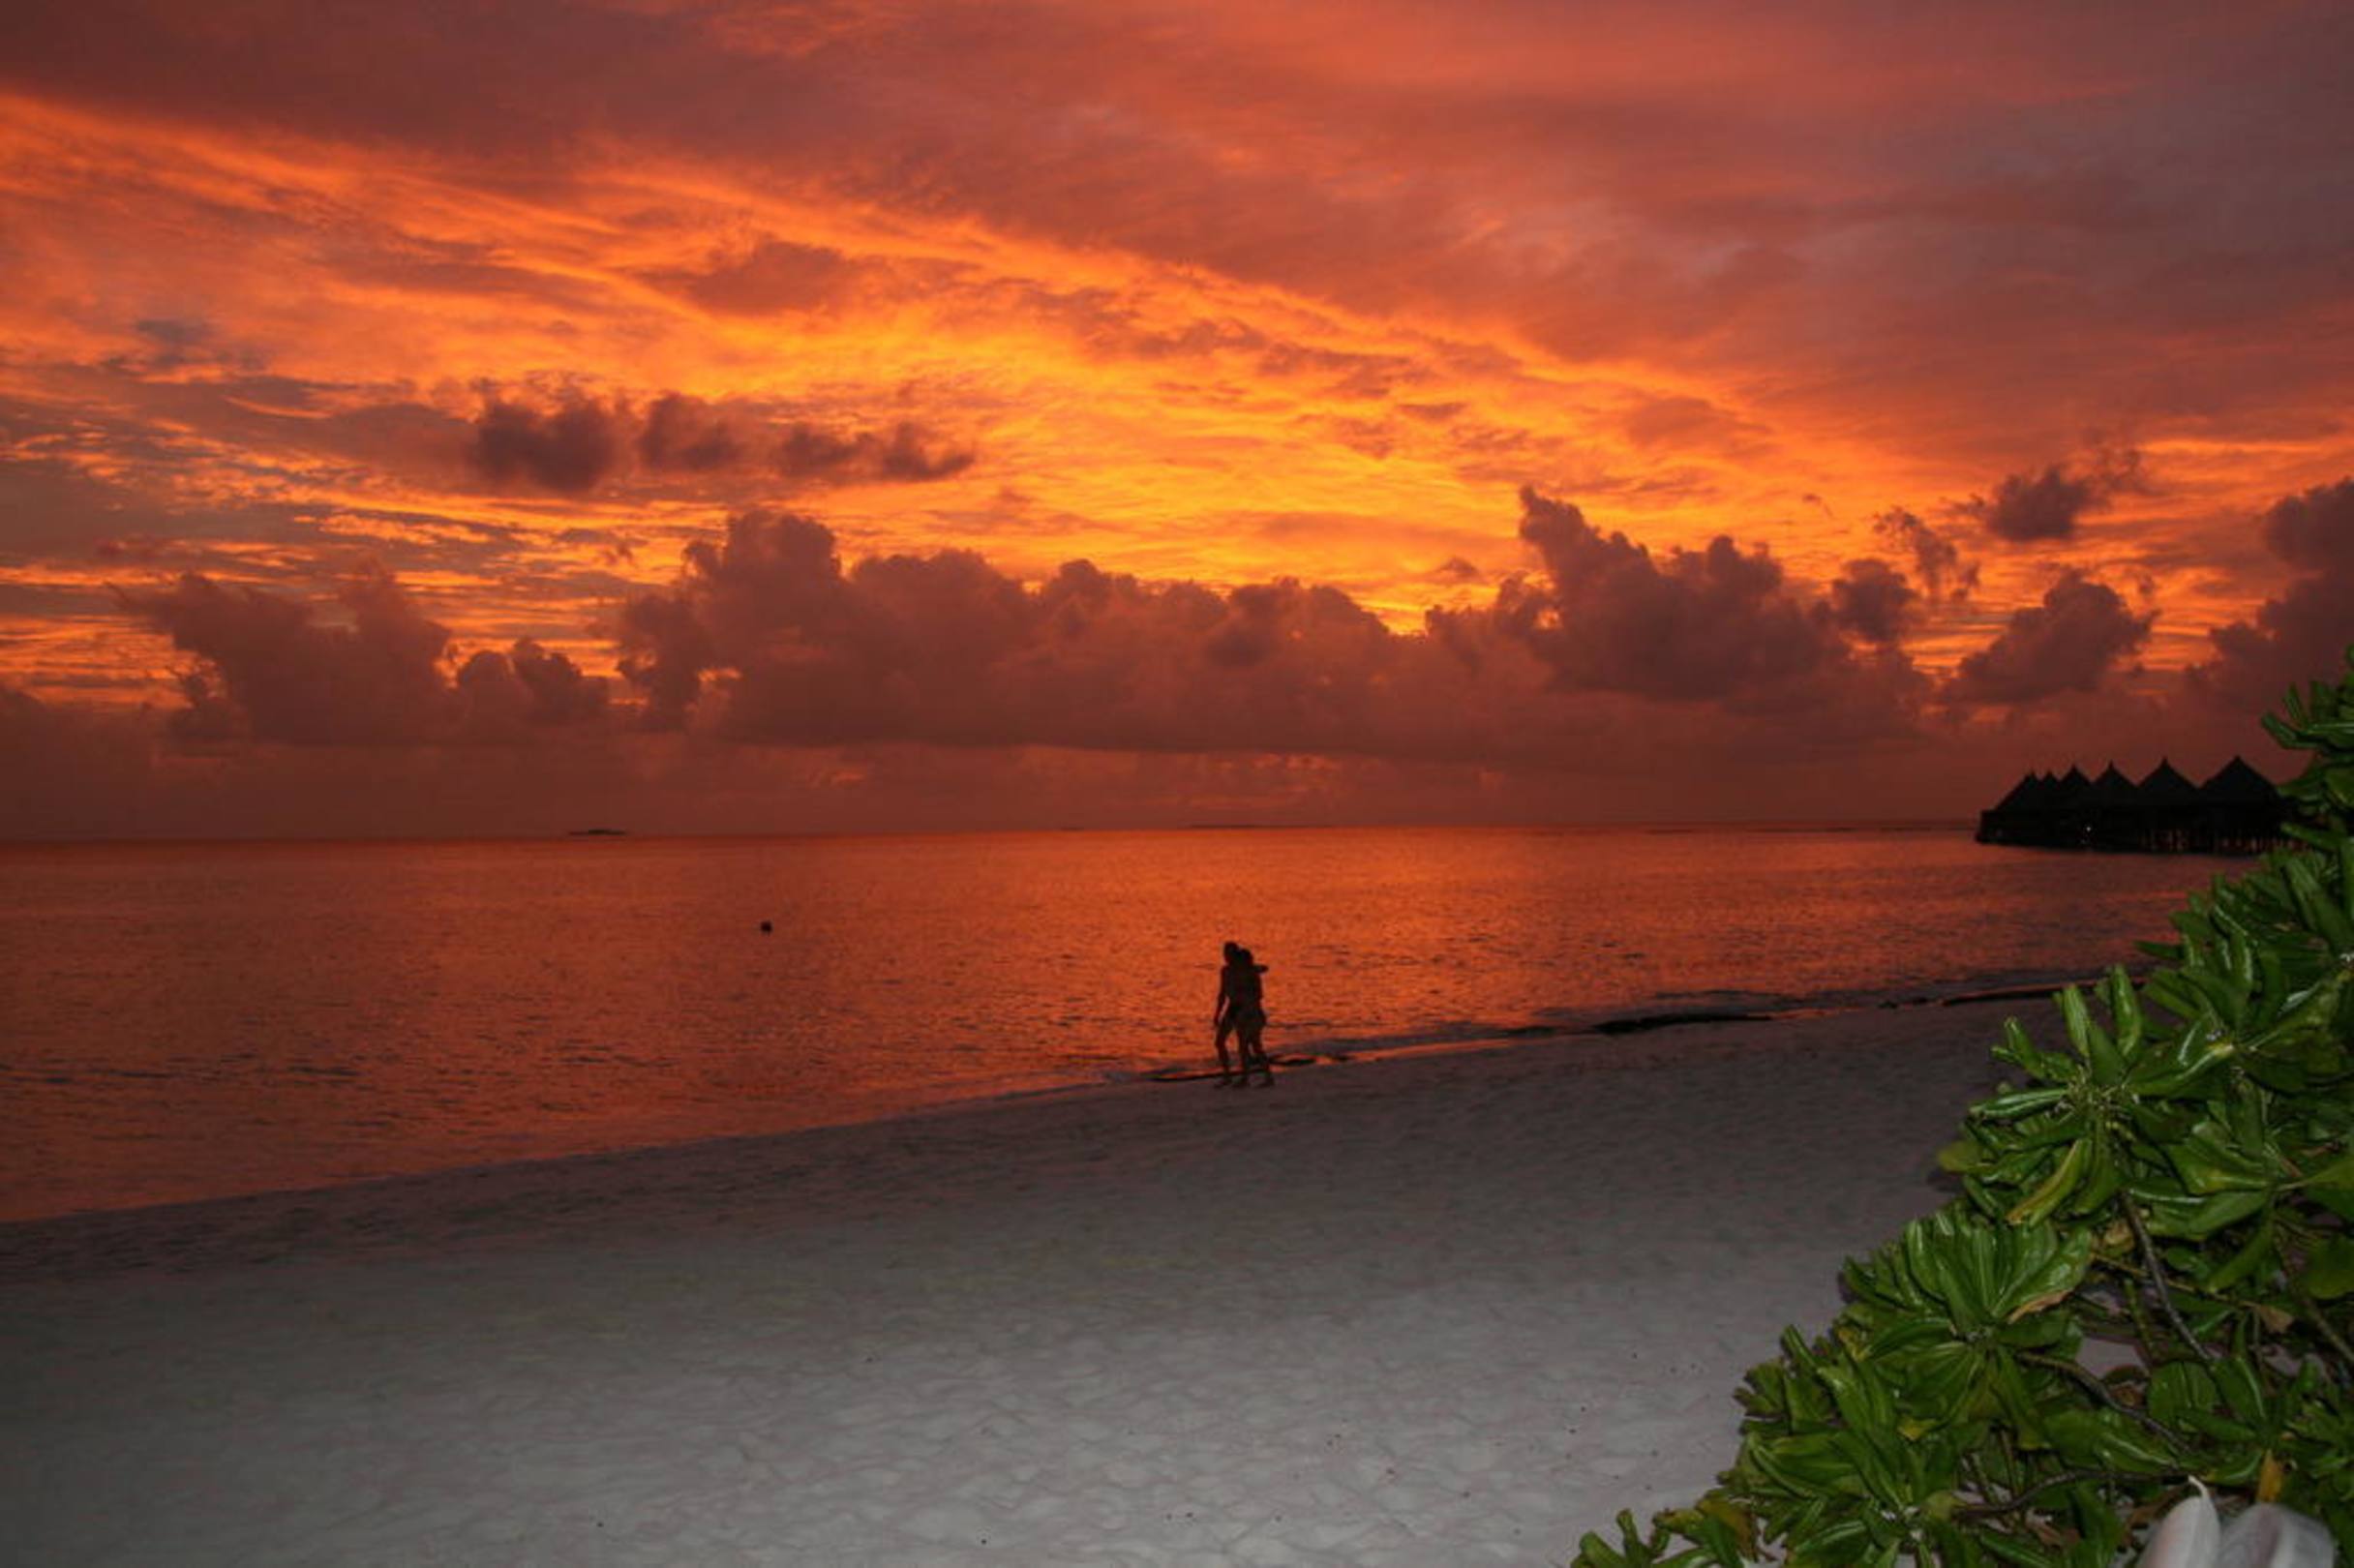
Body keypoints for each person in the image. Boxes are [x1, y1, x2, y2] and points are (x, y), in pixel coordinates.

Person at [1212, 941, 1274, 1087]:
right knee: (1220, 1042)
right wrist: (1217, 1013)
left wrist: (1245, 1003)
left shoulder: (1249, 971)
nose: (1226, 957)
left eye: (1229, 954)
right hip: (1233, 1008)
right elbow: (1222, 993)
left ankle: (1257, 1077)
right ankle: (1227, 1075)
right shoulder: (1226, 971)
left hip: (1250, 1011)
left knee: (1249, 1045)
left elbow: (1258, 994)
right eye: (1225, 954)